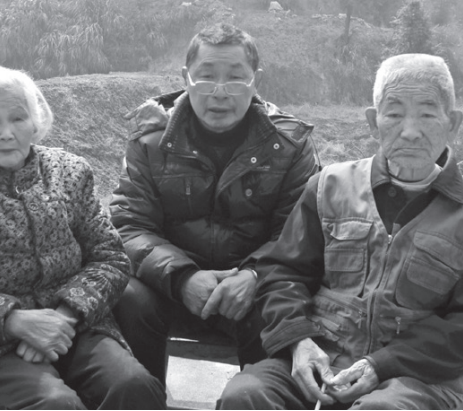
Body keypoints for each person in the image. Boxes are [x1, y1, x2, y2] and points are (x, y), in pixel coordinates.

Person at [219, 53, 463, 410]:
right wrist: (298, 341)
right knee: (246, 396)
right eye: (394, 114)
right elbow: (282, 274)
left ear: (452, 123)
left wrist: (381, 364)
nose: (410, 131)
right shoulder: (328, 187)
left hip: (419, 380)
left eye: (427, 114)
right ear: (374, 121)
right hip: (322, 359)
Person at [0, 66, 165, 410]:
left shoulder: (70, 172)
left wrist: (64, 317)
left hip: (71, 327)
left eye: (18, 118)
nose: (7, 133)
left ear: (35, 121)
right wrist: (14, 321)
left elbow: (110, 258)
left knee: (134, 387)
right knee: (56, 404)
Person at [109, 22, 321, 385]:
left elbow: (298, 233)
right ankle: (145, 396)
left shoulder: (289, 145)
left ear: (255, 81)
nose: (220, 93)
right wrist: (183, 278)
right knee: (126, 296)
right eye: (206, 77)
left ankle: (253, 396)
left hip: (252, 290)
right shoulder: (150, 142)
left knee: (284, 306)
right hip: (171, 288)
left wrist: (253, 277)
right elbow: (129, 225)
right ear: (186, 78)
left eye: (235, 78)